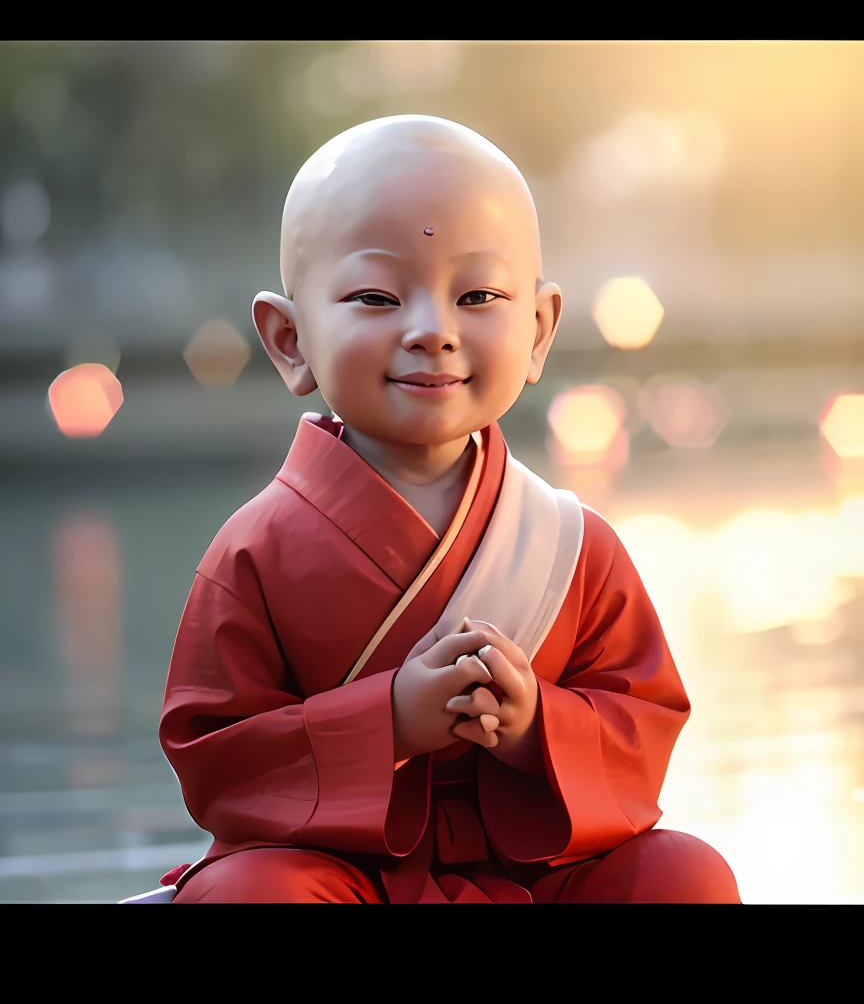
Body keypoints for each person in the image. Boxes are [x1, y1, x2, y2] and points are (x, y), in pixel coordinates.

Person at [158, 115, 740, 903]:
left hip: (535, 876)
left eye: (477, 295)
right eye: (375, 296)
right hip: (343, 876)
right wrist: (387, 723)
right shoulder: (257, 551)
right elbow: (215, 758)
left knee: (684, 873)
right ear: (290, 339)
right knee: (252, 894)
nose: (432, 331)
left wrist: (541, 728)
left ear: (537, 330)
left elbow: (644, 722)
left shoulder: (573, 545)